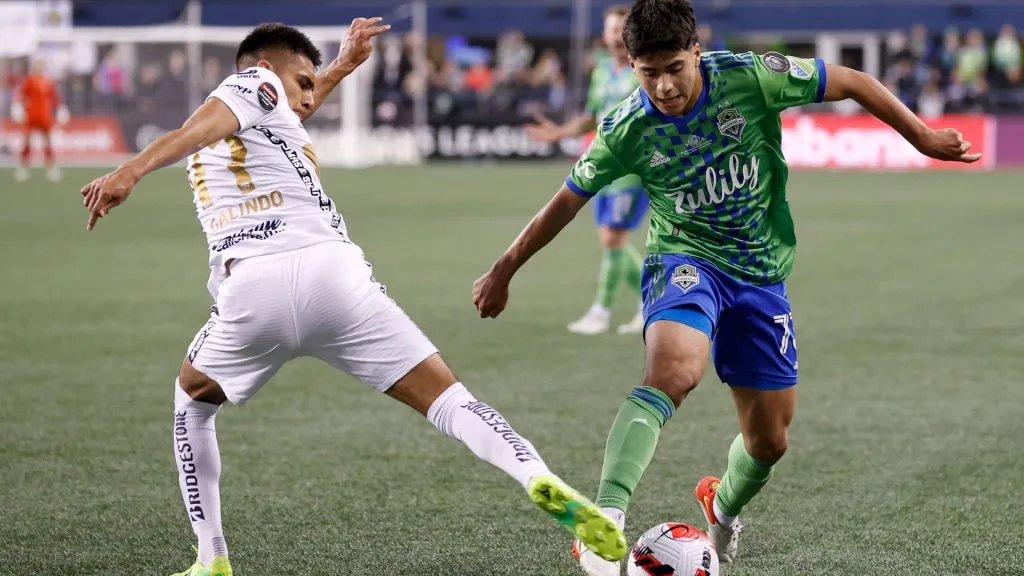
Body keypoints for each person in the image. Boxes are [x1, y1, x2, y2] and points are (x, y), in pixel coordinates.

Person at [80, 21, 626, 576]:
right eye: (304, 80)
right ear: (264, 69)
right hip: (336, 276)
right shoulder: (253, 87)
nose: (310, 94)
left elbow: (254, 116)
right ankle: (535, 475)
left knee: (192, 400)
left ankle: (211, 557)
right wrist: (133, 169)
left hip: (253, 289)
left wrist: (335, 68)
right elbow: (220, 119)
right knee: (451, 401)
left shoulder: (260, 108)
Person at [472, 1, 981, 574]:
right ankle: (604, 521)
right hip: (684, 260)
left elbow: (854, 81)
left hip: (761, 274)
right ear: (631, 65)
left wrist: (921, 137)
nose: (662, 86)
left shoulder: (749, 77)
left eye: (673, 68)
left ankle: (723, 505)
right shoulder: (625, 128)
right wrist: (504, 268)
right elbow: (564, 203)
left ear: (696, 51)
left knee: (769, 442)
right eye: (648, 72)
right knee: (673, 373)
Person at [527, 4, 648, 335]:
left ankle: (602, 311)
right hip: (604, 168)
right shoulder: (603, 70)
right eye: (611, 29)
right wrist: (559, 133)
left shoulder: (644, 70)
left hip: (632, 168)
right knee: (610, 240)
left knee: (613, 237)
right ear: (604, 35)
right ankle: (647, 303)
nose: (616, 35)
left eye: (621, 28)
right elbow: (592, 118)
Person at [12, 59, 68, 182]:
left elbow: (55, 98)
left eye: (40, 65)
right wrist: (17, 107)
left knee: (47, 142)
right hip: (31, 116)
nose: (38, 68)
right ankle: (23, 168)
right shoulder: (29, 81)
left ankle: (50, 168)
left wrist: (61, 108)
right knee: (26, 142)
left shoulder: (48, 81)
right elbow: (21, 95)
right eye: (36, 65)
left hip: (45, 117)